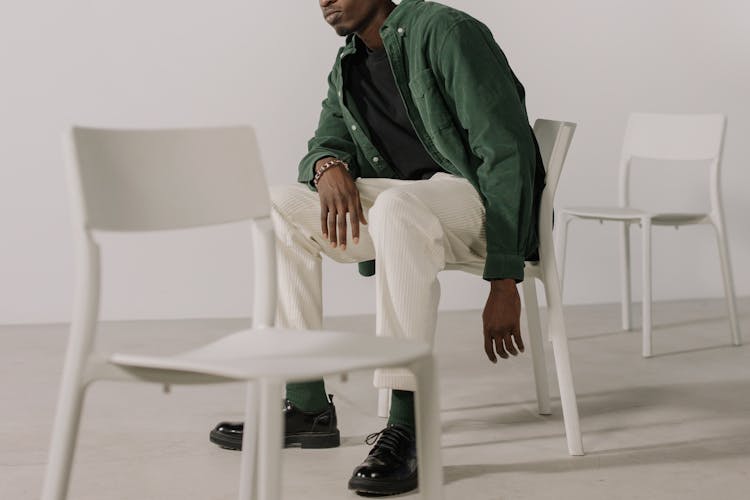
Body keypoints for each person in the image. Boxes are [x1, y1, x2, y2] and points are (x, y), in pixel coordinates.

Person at [210, 0, 545, 495]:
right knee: (280, 203)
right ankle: (306, 405)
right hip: (408, 211)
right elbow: (324, 140)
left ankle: (408, 424)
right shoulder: (348, 64)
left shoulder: (448, 32)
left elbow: (505, 151)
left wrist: (504, 275)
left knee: (394, 208)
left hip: (475, 204)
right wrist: (328, 167)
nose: (325, 0)